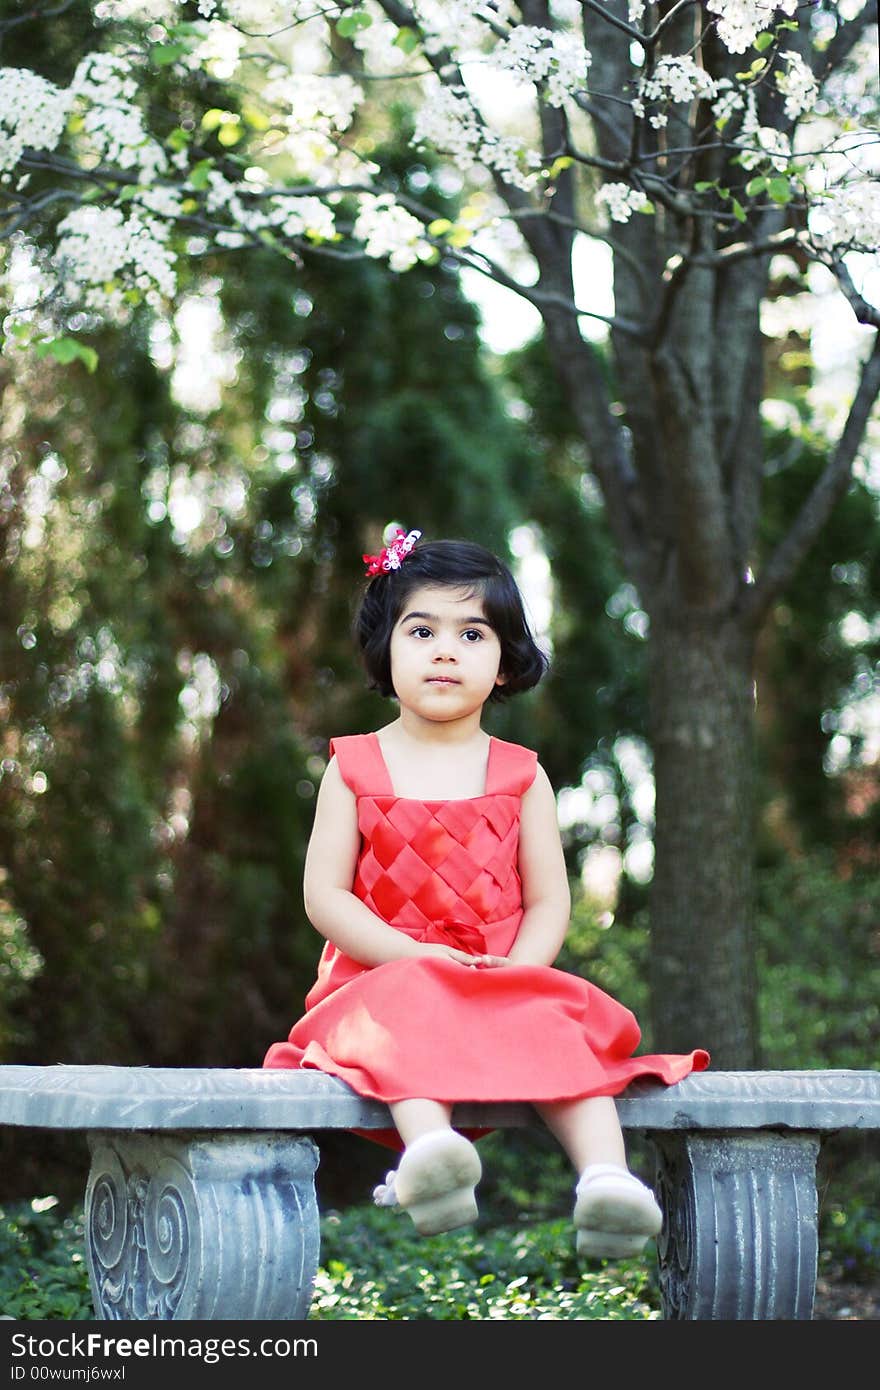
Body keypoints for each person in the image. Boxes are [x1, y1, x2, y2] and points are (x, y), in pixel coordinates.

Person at [264, 528, 709, 1259]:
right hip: (383, 974)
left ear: (504, 664)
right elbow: (326, 897)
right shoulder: (353, 769)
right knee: (406, 1010)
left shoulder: (520, 775)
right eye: (422, 629)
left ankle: (605, 1180)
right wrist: (411, 955)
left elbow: (548, 901)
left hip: (496, 978)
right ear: (387, 650)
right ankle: (431, 1156)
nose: (446, 649)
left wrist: (523, 967)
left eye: (472, 633)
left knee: (556, 1025)